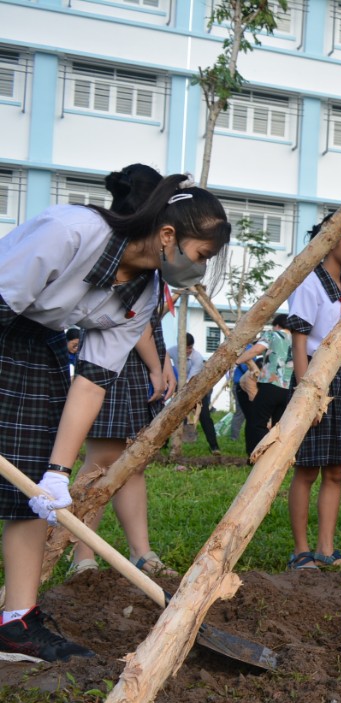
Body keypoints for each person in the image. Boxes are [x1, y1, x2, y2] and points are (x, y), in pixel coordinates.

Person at [0, 175, 230, 662]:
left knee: (29, 490)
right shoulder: (71, 232)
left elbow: (93, 380)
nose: (201, 266)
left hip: (36, 343)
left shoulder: (142, 298)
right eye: (202, 253)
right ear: (167, 235)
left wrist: (58, 473)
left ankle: (16, 620)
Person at [69, 164, 180, 580]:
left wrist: (164, 362)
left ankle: (140, 552)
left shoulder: (147, 249)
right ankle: (82, 556)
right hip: (114, 368)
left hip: (137, 367)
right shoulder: (122, 247)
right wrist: (156, 365)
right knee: (100, 461)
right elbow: (129, 322)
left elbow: (151, 321)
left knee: (132, 461)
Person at [284, 215, 341, 570]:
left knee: (336, 470)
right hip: (314, 378)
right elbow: (299, 343)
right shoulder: (310, 284)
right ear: (331, 240)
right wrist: (308, 395)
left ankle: (326, 548)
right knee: (306, 468)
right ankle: (301, 551)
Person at [234, 314, 293, 456]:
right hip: (288, 388)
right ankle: (275, 457)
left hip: (270, 384)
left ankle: (255, 456)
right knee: (278, 426)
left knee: (256, 422)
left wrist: (237, 360)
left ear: (277, 325)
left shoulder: (272, 334)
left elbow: (256, 350)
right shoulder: (298, 339)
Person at [169, 333, 221, 454]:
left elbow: (190, 381)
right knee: (170, 416)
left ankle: (214, 447)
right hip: (179, 388)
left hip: (197, 389)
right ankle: (164, 444)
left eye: (190, 348)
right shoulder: (172, 351)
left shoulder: (197, 358)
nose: (188, 351)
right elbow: (163, 357)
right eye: (185, 348)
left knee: (205, 417)